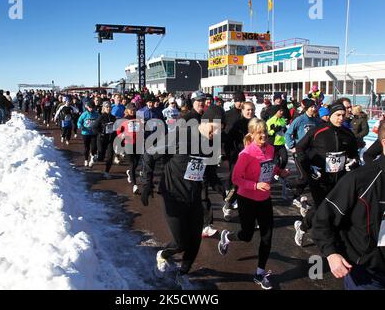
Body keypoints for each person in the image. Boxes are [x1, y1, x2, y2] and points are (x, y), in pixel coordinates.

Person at [141, 105, 226, 289]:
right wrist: (147, 183)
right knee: (181, 242)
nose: (217, 133)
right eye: (215, 127)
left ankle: (182, 273)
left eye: (221, 130)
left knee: (195, 241)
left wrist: (220, 187)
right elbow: (149, 155)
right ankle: (163, 254)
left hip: (193, 196)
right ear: (205, 122)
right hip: (173, 195)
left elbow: (209, 170)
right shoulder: (181, 135)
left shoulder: (211, 144)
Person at [312, 121, 385, 290]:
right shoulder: (360, 179)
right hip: (367, 274)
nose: (341, 117)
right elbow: (323, 219)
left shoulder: (347, 135)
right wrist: (331, 253)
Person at [218, 118, 289, 290]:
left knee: (267, 236)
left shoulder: (271, 149)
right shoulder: (246, 154)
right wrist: (255, 185)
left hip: (264, 199)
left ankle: (259, 273)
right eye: (259, 132)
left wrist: (280, 171)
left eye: (264, 131)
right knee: (247, 235)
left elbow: (269, 167)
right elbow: (236, 179)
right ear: (252, 134)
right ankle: (228, 237)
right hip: (247, 199)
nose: (263, 135)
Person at [293, 102, 360, 247]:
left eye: (343, 115)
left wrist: (353, 162)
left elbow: (355, 155)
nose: (341, 118)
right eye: (337, 115)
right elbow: (300, 149)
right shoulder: (318, 131)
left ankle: (333, 238)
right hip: (319, 178)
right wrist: (309, 167)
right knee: (322, 207)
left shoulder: (347, 134)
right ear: (330, 116)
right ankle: (303, 228)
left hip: (340, 178)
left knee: (337, 208)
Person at [118, 103, 142, 194]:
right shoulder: (124, 120)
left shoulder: (139, 118)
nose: (132, 111)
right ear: (127, 110)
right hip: (129, 144)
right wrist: (122, 135)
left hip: (138, 143)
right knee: (132, 163)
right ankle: (134, 185)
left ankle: (129, 172)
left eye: (134, 109)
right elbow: (118, 131)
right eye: (131, 109)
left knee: (136, 162)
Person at [93, 101, 117, 179]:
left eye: (110, 107)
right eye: (107, 107)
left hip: (111, 139)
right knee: (101, 158)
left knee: (110, 157)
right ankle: (96, 157)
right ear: (104, 108)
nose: (108, 108)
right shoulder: (101, 117)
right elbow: (94, 128)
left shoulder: (113, 117)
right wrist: (100, 133)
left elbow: (116, 128)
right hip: (102, 139)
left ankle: (106, 172)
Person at [77, 100, 100, 167]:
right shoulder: (84, 114)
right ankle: (86, 160)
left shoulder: (96, 114)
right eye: (90, 107)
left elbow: (100, 121)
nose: (91, 109)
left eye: (92, 107)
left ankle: (92, 158)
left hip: (93, 133)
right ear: (87, 107)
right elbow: (79, 121)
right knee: (86, 148)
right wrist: (80, 126)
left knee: (94, 147)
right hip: (85, 133)